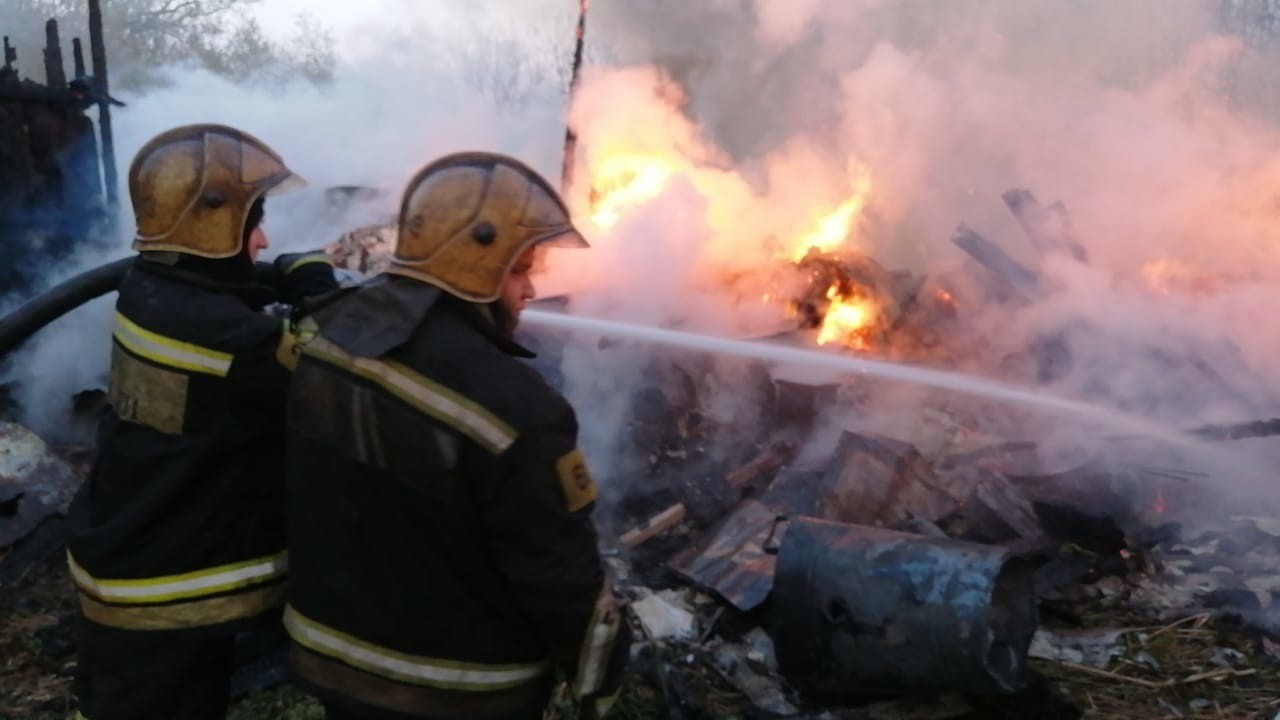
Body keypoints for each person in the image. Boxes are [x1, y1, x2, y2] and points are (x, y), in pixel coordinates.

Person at [282, 151, 630, 720]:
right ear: (478, 266)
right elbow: (562, 581)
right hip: (459, 689)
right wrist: (601, 685)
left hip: (331, 658)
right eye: (521, 270)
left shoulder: (325, 330)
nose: (532, 291)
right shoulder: (519, 410)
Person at [66, 123, 339, 720]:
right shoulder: (228, 339)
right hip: (166, 590)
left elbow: (222, 290)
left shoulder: (146, 287)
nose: (264, 241)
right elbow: (331, 367)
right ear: (215, 224)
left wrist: (275, 278)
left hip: (126, 555)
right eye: (254, 223)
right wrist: (319, 288)